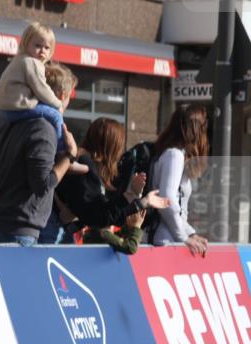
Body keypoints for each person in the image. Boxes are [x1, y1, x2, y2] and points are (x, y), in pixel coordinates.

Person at [0, 63, 81, 246]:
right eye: (69, 97)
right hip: (18, 233)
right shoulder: (43, 128)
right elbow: (43, 185)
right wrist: (69, 156)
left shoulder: (10, 124)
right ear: (61, 96)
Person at [56, 117, 169, 236]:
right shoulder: (85, 164)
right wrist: (141, 201)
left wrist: (135, 195)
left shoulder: (89, 164)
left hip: (60, 232)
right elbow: (100, 217)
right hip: (56, 232)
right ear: (110, 146)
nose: (120, 153)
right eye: (119, 146)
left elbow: (110, 213)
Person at [0, 22, 66, 151]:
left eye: (47, 47)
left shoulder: (19, 60)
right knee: (55, 115)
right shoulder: (31, 62)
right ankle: (61, 153)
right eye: (37, 45)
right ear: (26, 44)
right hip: (18, 108)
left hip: (6, 111)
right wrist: (58, 103)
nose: (42, 50)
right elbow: (41, 89)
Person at [150, 104, 210, 256]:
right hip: (166, 242)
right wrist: (183, 236)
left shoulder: (174, 154)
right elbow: (167, 200)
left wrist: (190, 233)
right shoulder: (174, 155)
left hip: (169, 239)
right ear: (196, 129)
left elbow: (177, 205)